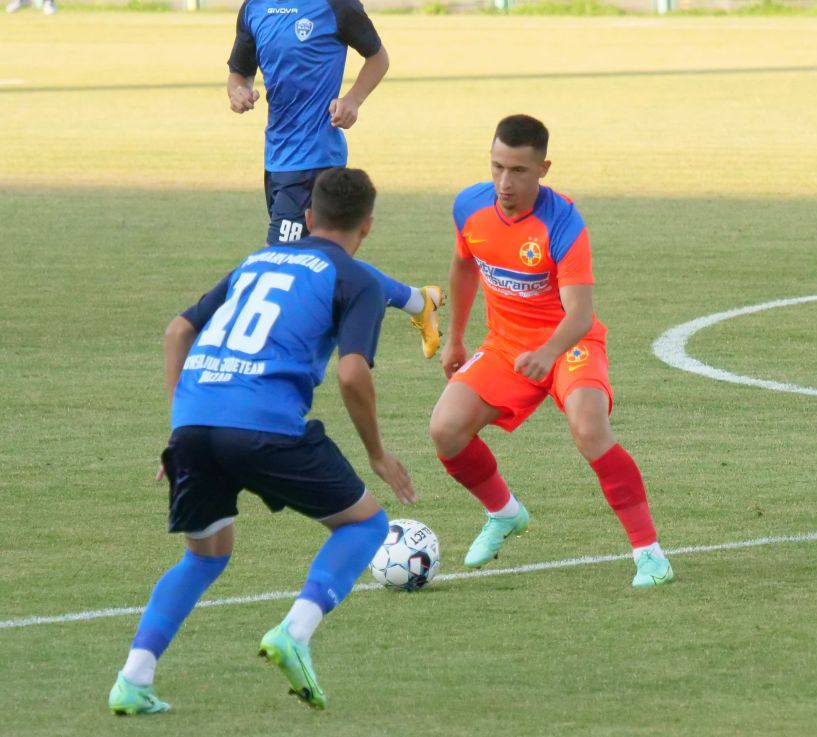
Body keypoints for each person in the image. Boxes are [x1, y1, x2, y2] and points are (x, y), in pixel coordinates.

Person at [108, 168, 416, 715]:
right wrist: (377, 453)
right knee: (365, 524)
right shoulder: (357, 279)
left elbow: (177, 330)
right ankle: (295, 631)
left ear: (308, 217)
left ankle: (134, 677)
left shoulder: (257, 259)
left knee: (204, 558)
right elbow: (351, 374)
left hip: (196, 420)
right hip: (263, 422)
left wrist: (180, 428)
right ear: (366, 227)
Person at [429, 114, 673, 589]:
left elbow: (581, 314)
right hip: (506, 347)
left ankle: (651, 556)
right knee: (445, 429)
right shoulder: (469, 207)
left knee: (589, 426)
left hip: (569, 343)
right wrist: (456, 337)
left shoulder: (563, 222)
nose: (504, 182)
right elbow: (464, 266)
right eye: (497, 167)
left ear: (543, 168)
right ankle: (504, 513)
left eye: (518, 171)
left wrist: (548, 353)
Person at [226, 0, 443, 358]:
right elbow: (240, 71)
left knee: (279, 259)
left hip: (316, 158)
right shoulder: (254, 9)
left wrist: (353, 100)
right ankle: (418, 301)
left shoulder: (335, 5)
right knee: (322, 259)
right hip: (277, 158)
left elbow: (378, 57)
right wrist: (238, 91)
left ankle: (272, 352)